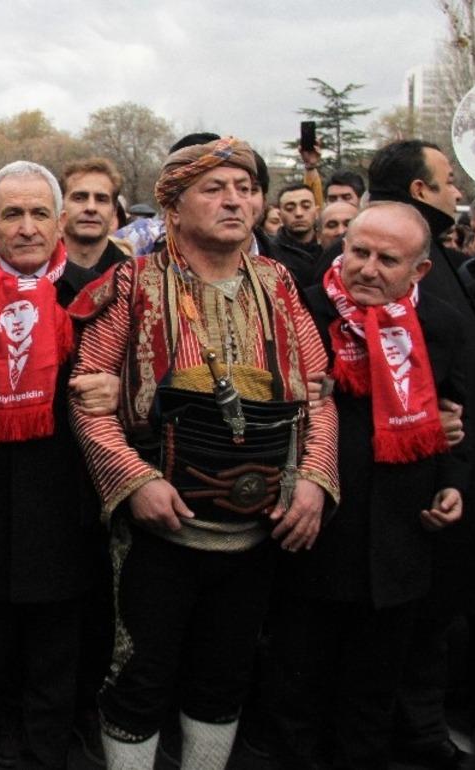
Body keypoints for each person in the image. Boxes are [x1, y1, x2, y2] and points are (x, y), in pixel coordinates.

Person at [69, 137, 338, 769]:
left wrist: (316, 480)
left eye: (245, 189)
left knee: (225, 676)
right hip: (158, 532)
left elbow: (319, 396)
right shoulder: (132, 285)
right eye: (215, 189)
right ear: (172, 204)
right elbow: (90, 398)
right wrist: (133, 481)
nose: (235, 201)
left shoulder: (281, 286)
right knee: (139, 676)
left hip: (257, 532)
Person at [268, 203, 469, 770]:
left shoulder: (441, 326)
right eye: (359, 252)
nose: (368, 269)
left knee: (369, 706)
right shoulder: (299, 313)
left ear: (419, 272)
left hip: (399, 546)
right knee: (295, 698)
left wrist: (453, 484)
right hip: (313, 536)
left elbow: (457, 419)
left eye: (387, 260)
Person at [0, 161, 99, 768]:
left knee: (55, 660)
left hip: (66, 501)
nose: (28, 227)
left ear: (60, 220)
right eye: (13, 213)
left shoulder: (96, 292)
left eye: (40, 213)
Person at [367, 140, 475, 770]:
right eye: (447, 181)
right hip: (402, 501)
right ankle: (416, 734)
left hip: (451, 482)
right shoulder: (363, 288)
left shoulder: (440, 267)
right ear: (420, 192)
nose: (457, 192)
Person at [60, 157, 128, 274]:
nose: (91, 208)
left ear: (114, 212)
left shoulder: (134, 280)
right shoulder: (33, 273)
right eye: (79, 198)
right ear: (60, 207)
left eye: (101, 199)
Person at [273, 182, 322, 286]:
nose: (299, 213)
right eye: (290, 208)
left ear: (317, 212)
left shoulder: (327, 248)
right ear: (280, 215)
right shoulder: (270, 254)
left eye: (306, 206)